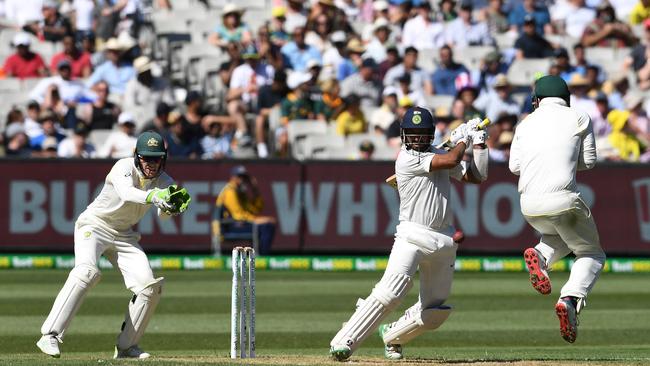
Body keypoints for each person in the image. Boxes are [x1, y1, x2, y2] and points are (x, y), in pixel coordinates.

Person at [330, 107, 489, 361]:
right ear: (404, 135)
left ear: (430, 134)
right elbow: (451, 161)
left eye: (422, 134)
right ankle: (344, 341)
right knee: (391, 292)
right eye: (412, 134)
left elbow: (477, 177)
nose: (416, 139)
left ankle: (392, 336)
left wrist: (479, 144)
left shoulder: (439, 153)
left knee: (435, 312)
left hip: (443, 239)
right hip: (412, 235)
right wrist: (462, 139)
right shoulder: (406, 158)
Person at [36, 131, 191, 359]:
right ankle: (49, 335)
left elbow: (163, 216)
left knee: (149, 287)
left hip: (124, 235)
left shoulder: (165, 182)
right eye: (146, 158)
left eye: (156, 158)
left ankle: (127, 347)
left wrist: (171, 208)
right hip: (94, 225)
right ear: (137, 156)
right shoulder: (123, 166)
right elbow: (127, 193)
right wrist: (153, 196)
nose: (151, 164)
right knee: (86, 272)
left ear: (163, 158)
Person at [509, 75, 605, 343]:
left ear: (536, 100)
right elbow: (589, 161)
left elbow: (514, 167)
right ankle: (570, 299)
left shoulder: (524, 123)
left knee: (561, 235)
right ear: (566, 98)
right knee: (592, 253)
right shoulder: (579, 116)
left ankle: (540, 255)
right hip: (562, 198)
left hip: (528, 204)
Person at [215, 165, 276, 255]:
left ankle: (259, 255)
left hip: (241, 223)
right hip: (230, 226)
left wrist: (255, 189)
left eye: (244, 177)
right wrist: (257, 220)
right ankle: (262, 256)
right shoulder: (230, 191)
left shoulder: (240, 192)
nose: (242, 179)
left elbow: (255, 210)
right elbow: (238, 215)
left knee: (267, 224)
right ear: (233, 177)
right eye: (239, 176)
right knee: (266, 226)